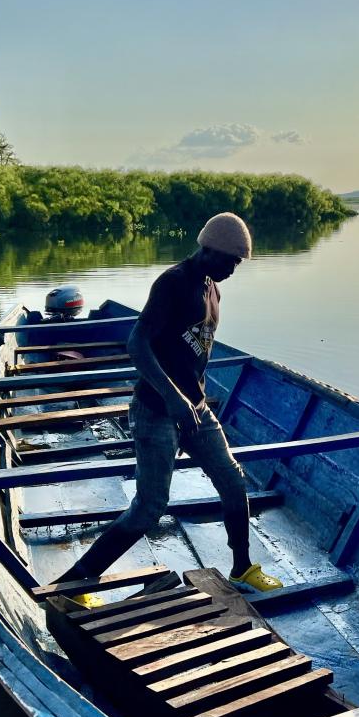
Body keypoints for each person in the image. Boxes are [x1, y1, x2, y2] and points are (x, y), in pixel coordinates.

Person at [52, 212, 283, 605]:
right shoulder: (173, 283)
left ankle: (242, 567)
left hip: (195, 411)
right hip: (156, 411)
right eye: (229, 260)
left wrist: (190, 400)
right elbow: (137, 344)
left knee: (232, 481)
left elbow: (192, 354)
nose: (232, 269)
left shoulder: (212, 288)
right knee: (149, 508)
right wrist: (174, 397)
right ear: (208, 248)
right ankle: (75, 584)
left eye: (238, 263)